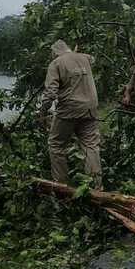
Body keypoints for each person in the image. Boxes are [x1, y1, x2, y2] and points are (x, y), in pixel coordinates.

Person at [39, 40, 102, 190]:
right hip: (90, 109)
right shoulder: (85, 58)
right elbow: (94, 59)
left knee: (56, 144)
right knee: (91, 146)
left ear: (55, 52)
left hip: (69, 110)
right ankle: (96, 187)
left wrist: (43, 112)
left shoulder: (56, 63)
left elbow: (50, 93)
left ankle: (61, 185)